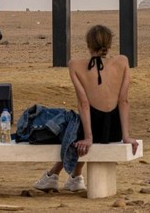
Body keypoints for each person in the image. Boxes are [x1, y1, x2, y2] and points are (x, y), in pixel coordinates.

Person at [33, 25, 138, 193]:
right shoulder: (123, 61)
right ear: (109, 43)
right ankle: (74, 177)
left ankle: (53, 175)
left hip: (92, 128)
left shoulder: (75, 64)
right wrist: (126, 136)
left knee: (72, 125)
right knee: (77, 129)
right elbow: (124, 101)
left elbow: (84, 104)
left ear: (88, 44)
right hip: (114, 130)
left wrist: (88, 137)